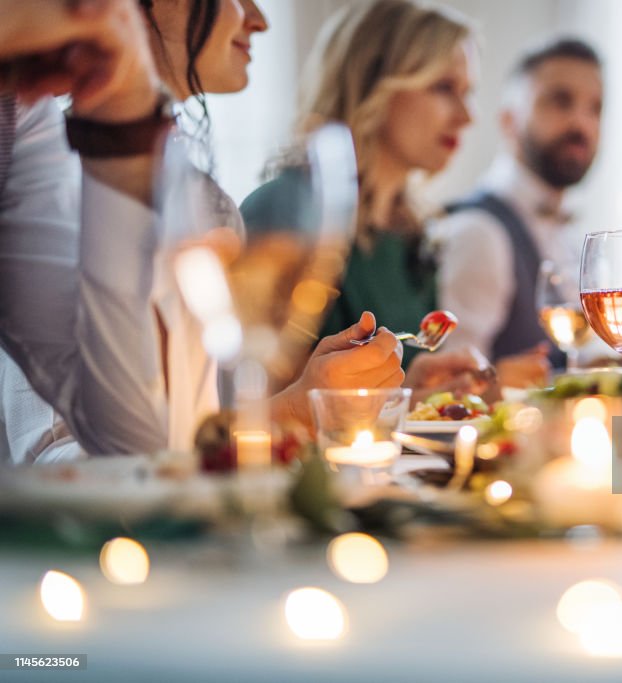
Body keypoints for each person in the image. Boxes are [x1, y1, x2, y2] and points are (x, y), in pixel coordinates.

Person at [0, 0, 403, 462]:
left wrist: (128, 107)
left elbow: (150, 444)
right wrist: (292, 409)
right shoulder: (64, 167)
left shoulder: (26, 122)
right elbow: (64, 455)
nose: (260, 19)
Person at [241, 0, 492, 398]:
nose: (468, 115)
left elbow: (375, 405)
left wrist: (414, 388)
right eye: (444, 87)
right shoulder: (286, 212)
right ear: (373, 82)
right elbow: (252, 408)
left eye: (468, 91)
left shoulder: (412, 232)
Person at [431, 37, 603, 380]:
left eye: (595, 108)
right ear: (509, 120)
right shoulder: (479, 231)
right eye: (560, 101)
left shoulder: (567, 230)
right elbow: (454, 388)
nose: (581, 124)